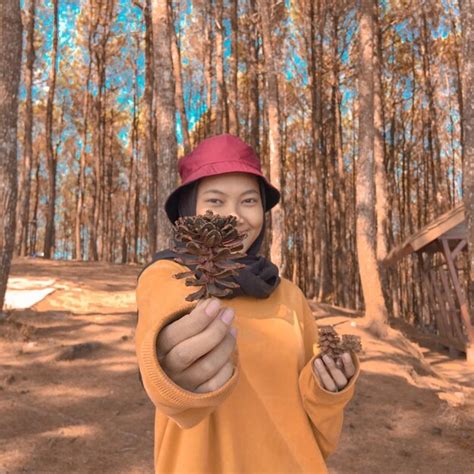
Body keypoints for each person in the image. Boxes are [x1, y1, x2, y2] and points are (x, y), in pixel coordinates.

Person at [135, 133, 360, 474]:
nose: (234, 216)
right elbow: (160, 358)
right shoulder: (168, 277)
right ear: (189, 210)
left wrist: (329, 388)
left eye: (248, 201)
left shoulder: (289, 294)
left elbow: (313, 409)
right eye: (215, 200)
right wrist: (169, 372)